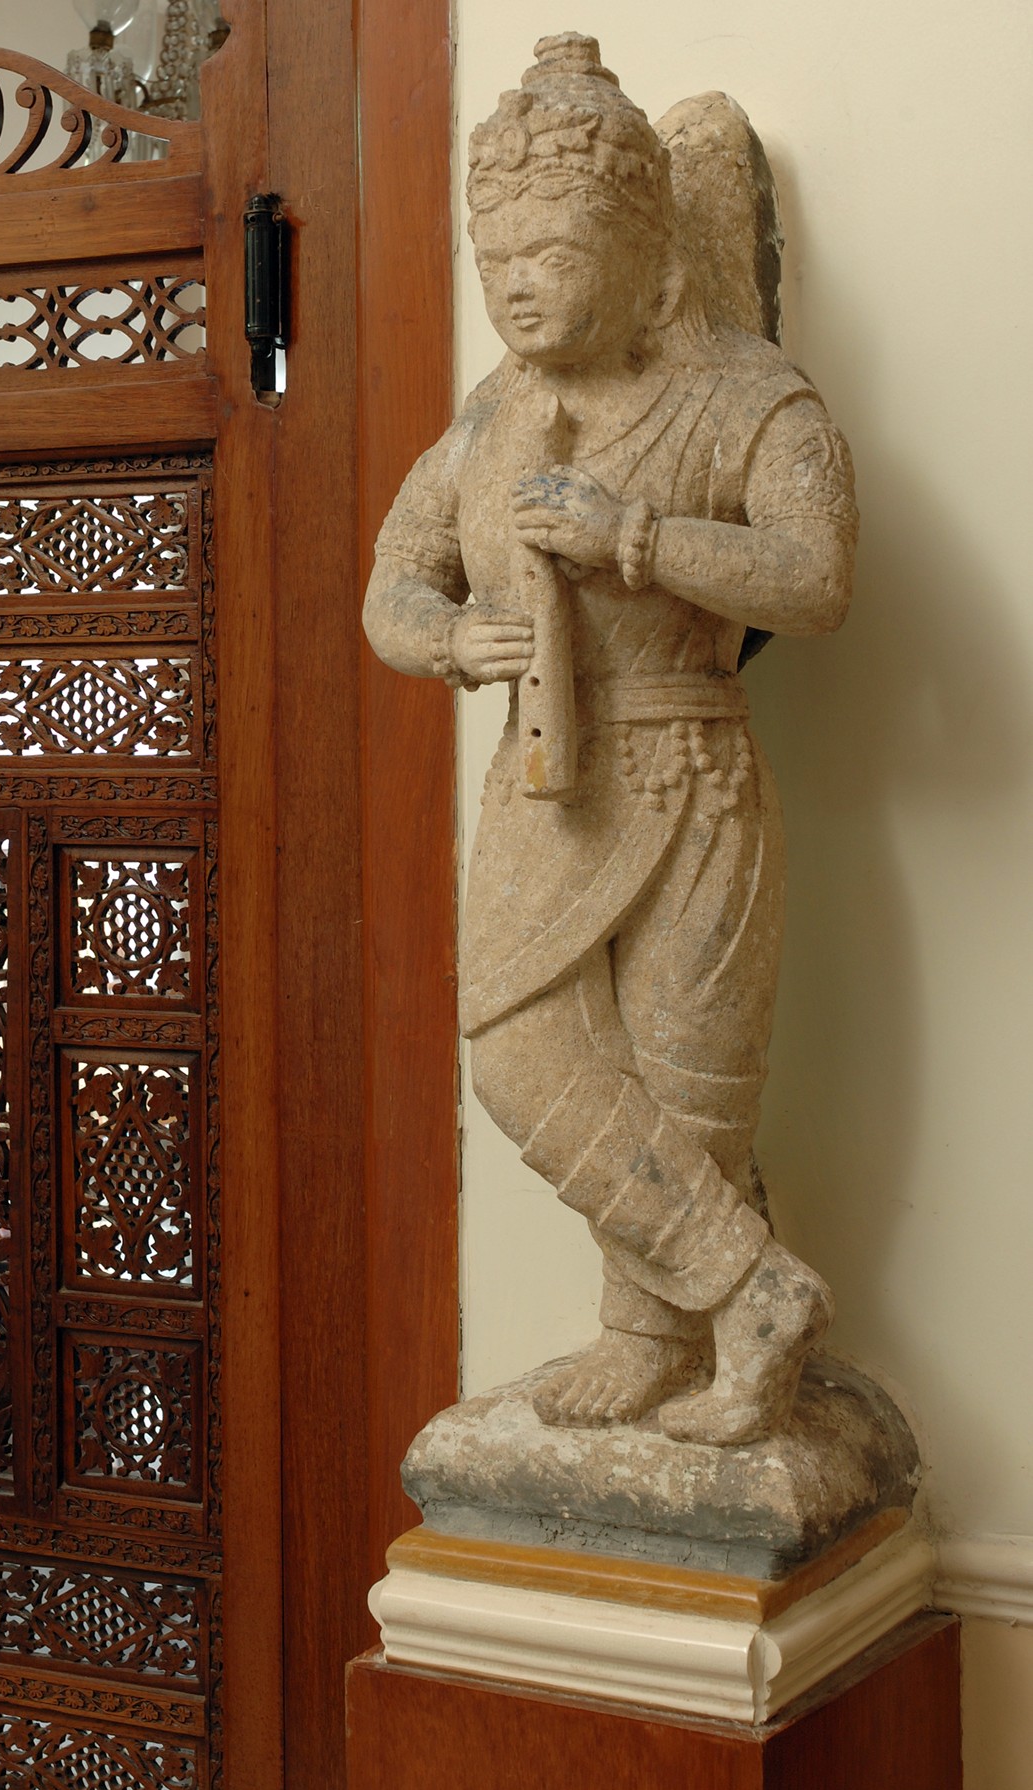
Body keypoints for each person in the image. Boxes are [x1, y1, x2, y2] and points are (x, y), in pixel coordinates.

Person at [363, 33, 858, 1446]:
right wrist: (453, 639)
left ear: (642, 253)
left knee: (683, 1079)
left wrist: (634, 536)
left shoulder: (746, 397)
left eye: (553, 253)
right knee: (517, 1053)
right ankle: (750, 1287)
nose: (517, 283)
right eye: (495, 257)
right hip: (542, 782)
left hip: (690, 769)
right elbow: (393, 581)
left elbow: (815, 579)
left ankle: (660, 1341)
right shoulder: (489, 419)